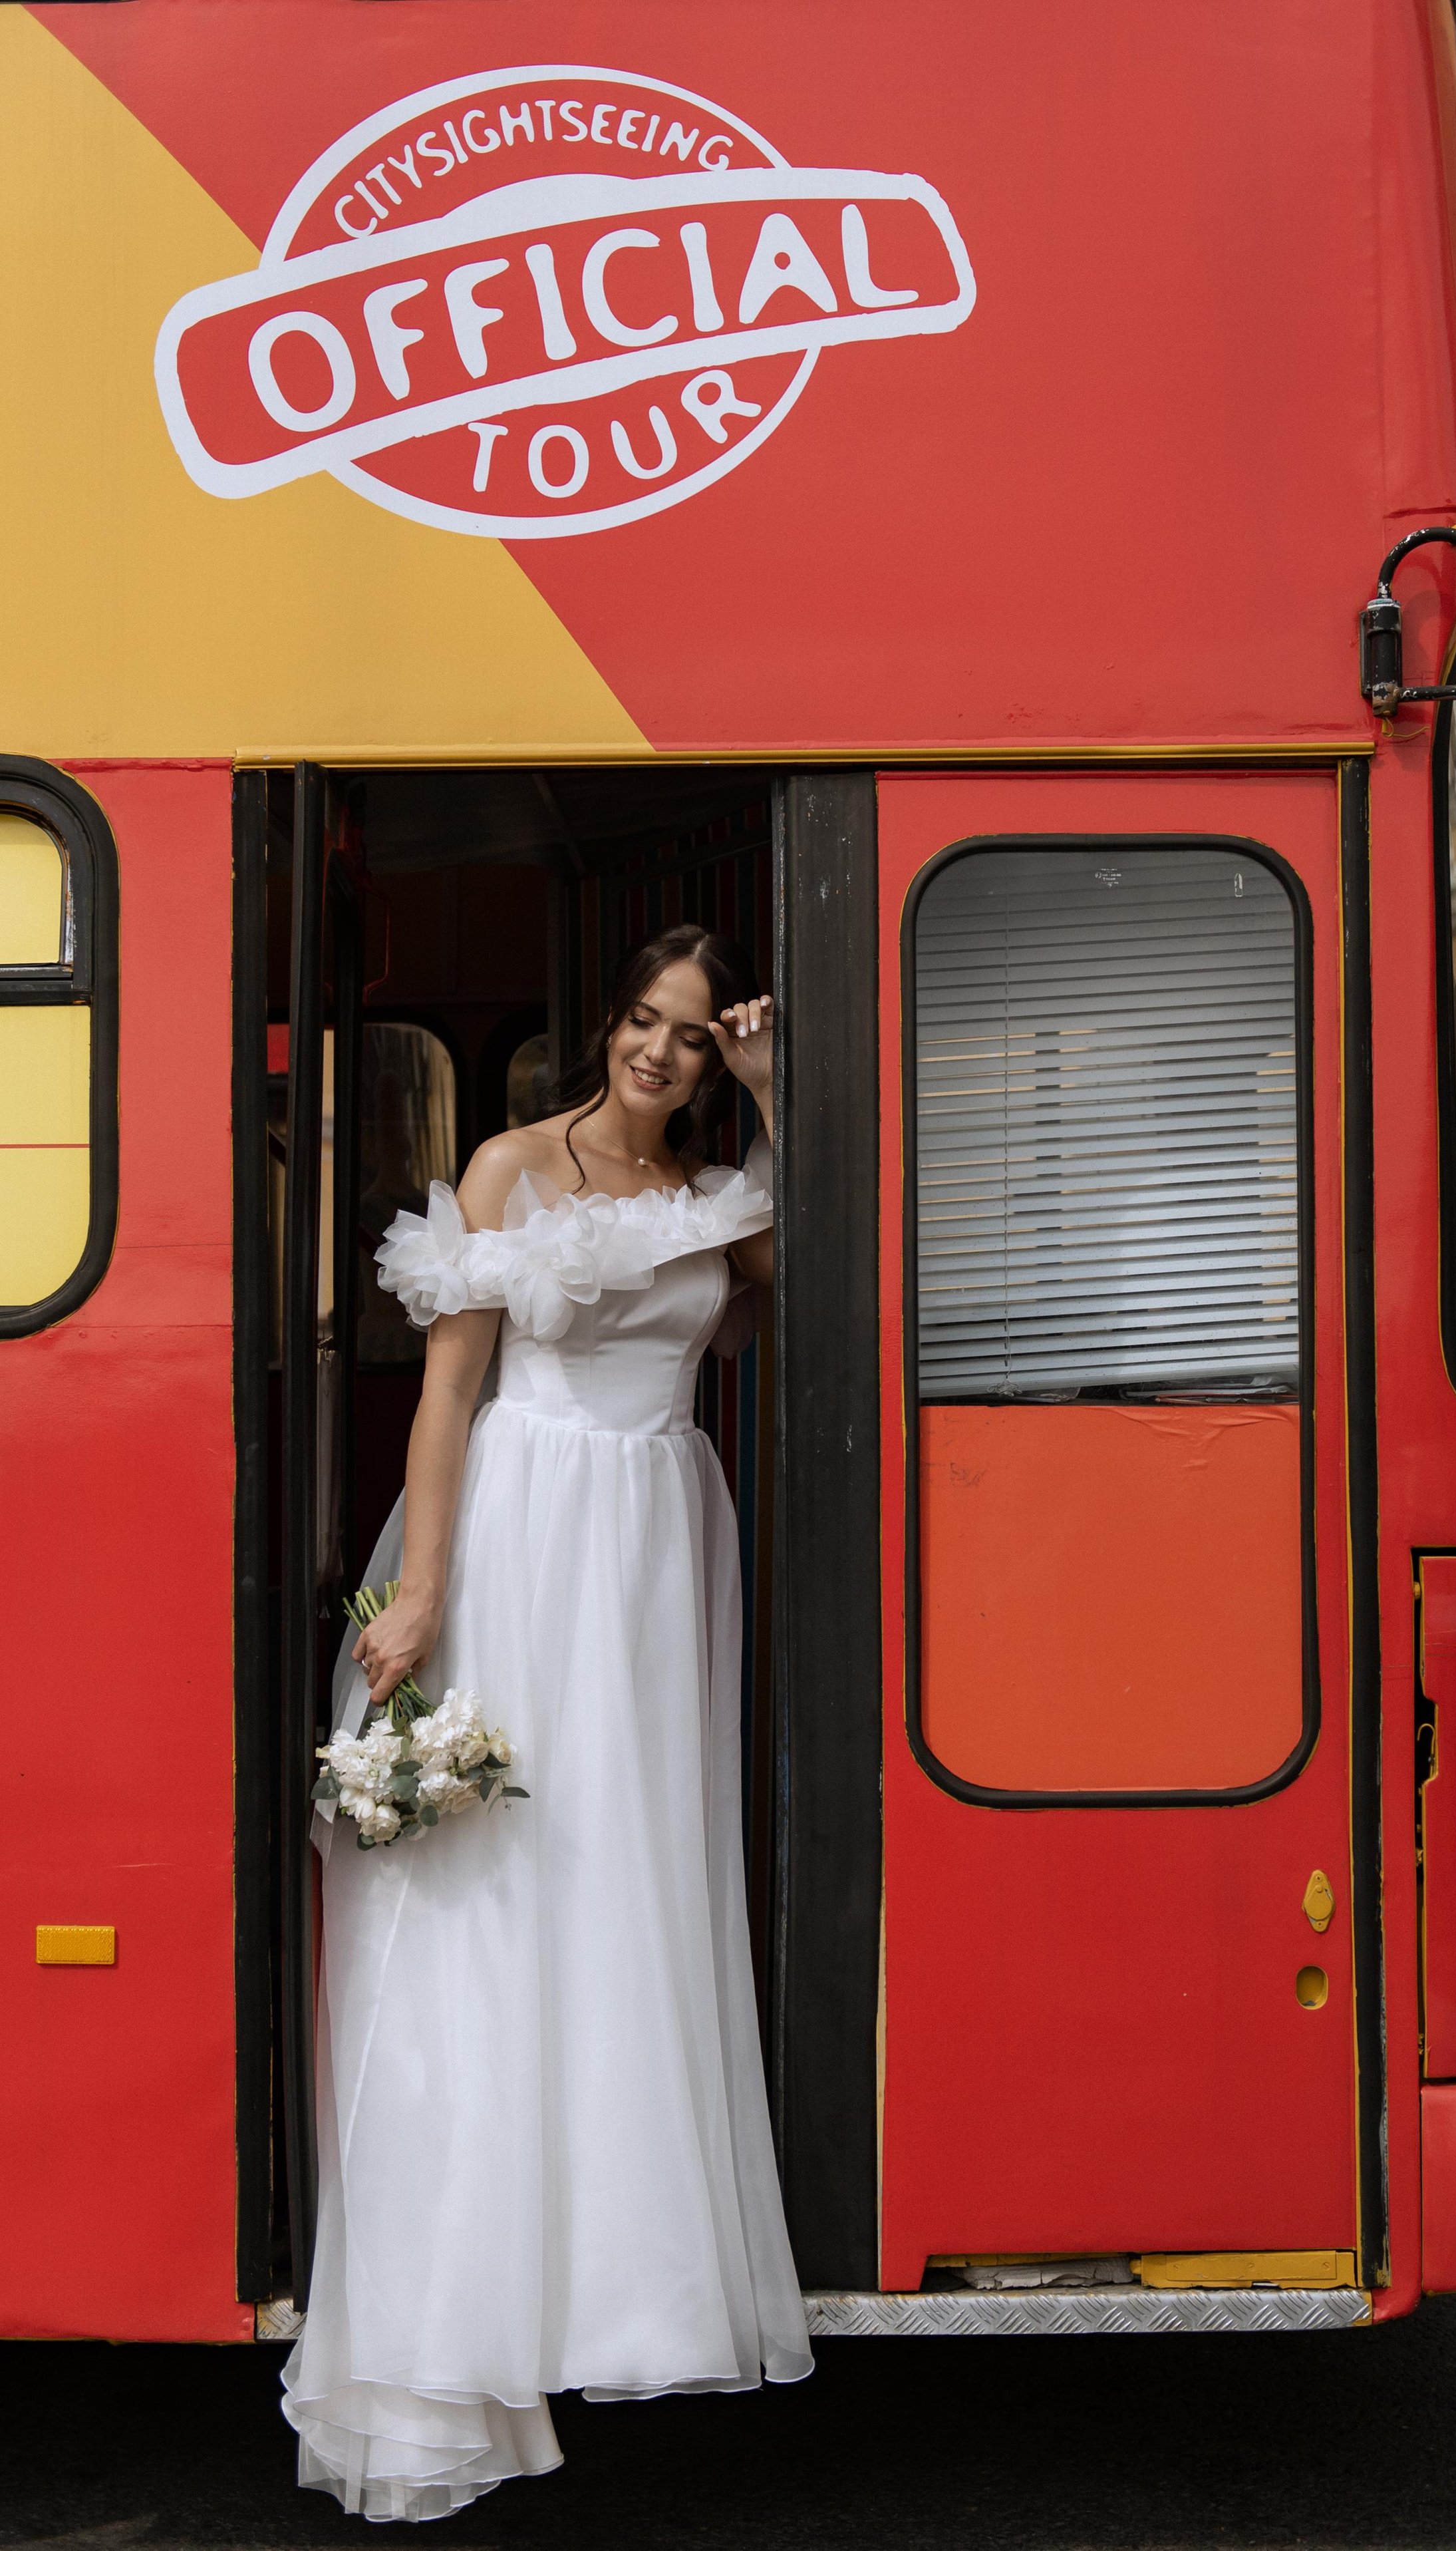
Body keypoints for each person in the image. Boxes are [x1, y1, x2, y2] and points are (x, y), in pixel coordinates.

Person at [282, 924, 811, 2521]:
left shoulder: (714, 1195)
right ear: (608, 1027)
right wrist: (423, 1593)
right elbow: (450, 1390)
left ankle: (612, 2280)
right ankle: (465, 2303)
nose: (659, 1056)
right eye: (644, 1026)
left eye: (694, 1041)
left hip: (657, 1552)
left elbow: (797, 1256)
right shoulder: (510, 1163)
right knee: (501, 1889)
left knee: (628, 1885)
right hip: (529, 1536)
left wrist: (781, 1093)